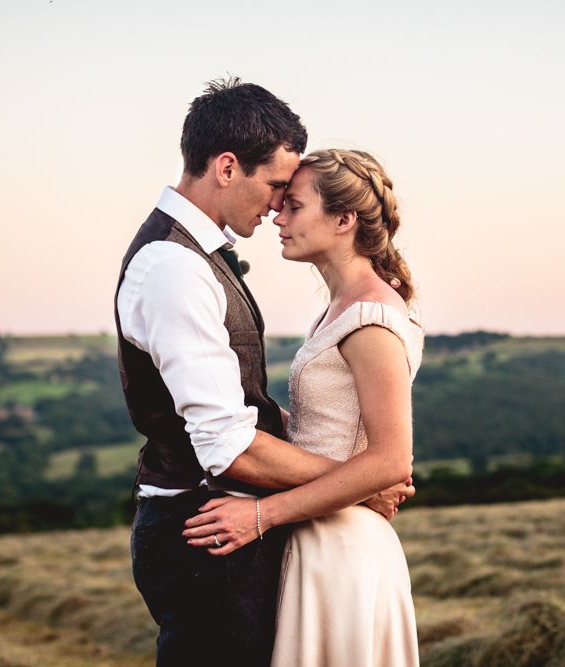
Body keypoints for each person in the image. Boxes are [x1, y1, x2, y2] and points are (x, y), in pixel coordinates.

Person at [114, 78, 414, 667]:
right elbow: (227, 445)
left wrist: (349, 486)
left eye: (291, 197)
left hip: (239, 528)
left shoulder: (193, 257)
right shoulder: (175, 267)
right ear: (227, 168)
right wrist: (360, 483)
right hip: (205, 527)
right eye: (277, 186)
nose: (278, 205)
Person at [183, 148, 424, 666]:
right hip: (318, 533)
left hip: (343, 550)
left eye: (294, 206)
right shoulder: (342, 308)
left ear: (343, 220)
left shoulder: (372, 318)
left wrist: (259, 515)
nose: (278, 216)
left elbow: (391, 461)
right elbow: (330, 426)